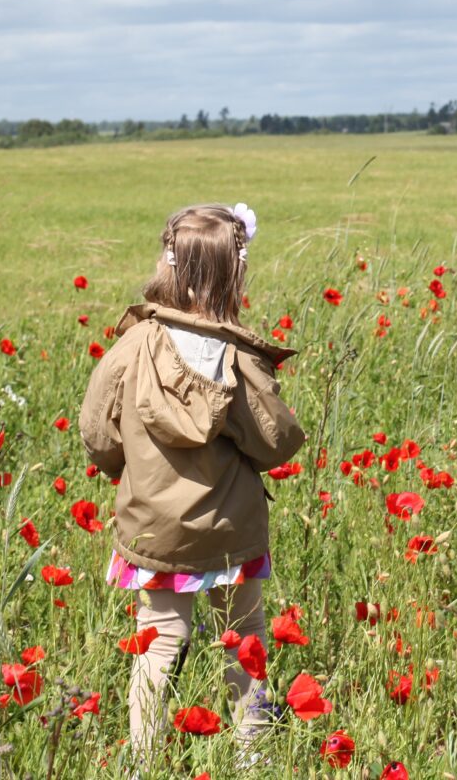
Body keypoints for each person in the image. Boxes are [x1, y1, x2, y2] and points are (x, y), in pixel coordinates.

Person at [78, 202, 304, 754]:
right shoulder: (239, 359)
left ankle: (144, 760)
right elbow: (275, 442)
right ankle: (252, 750)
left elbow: (96, 431)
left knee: (158, 642)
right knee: (243, 636)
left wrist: (125, 470)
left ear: (169, 264)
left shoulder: (132, 347)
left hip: (155, 530)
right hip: (231, 528)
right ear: (235, 272)